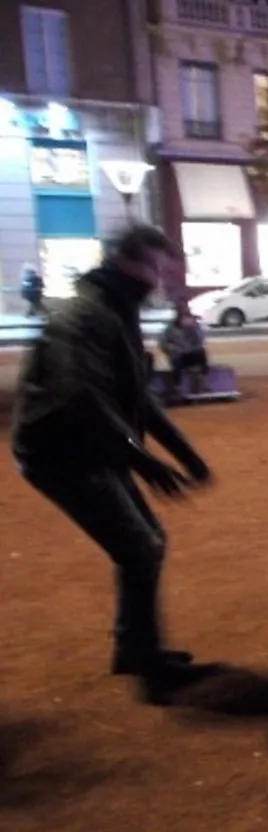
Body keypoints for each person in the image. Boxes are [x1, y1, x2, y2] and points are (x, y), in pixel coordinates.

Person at [11, 225, 215, 705]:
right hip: (59, 451)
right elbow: (80, 398)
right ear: (125, 261)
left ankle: (134, 647)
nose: (159, 279)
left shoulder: (114, 310)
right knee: (140, 546)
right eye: (154, 268)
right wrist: (145, 462)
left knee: (148, 542)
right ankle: (147, 664)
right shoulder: (84, 315)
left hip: (94, 446)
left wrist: (182, 452)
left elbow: (134, 395)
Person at [159, 302, 210, 396]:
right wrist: (172, 348)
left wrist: (193, 329)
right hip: (178, 355)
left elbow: (201, 340)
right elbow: (162, 343)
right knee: (177, 361)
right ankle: (176, 387)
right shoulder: (170, 329)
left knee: (201, 353)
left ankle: (203, 382)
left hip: (191, 354)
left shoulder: (194, 326)